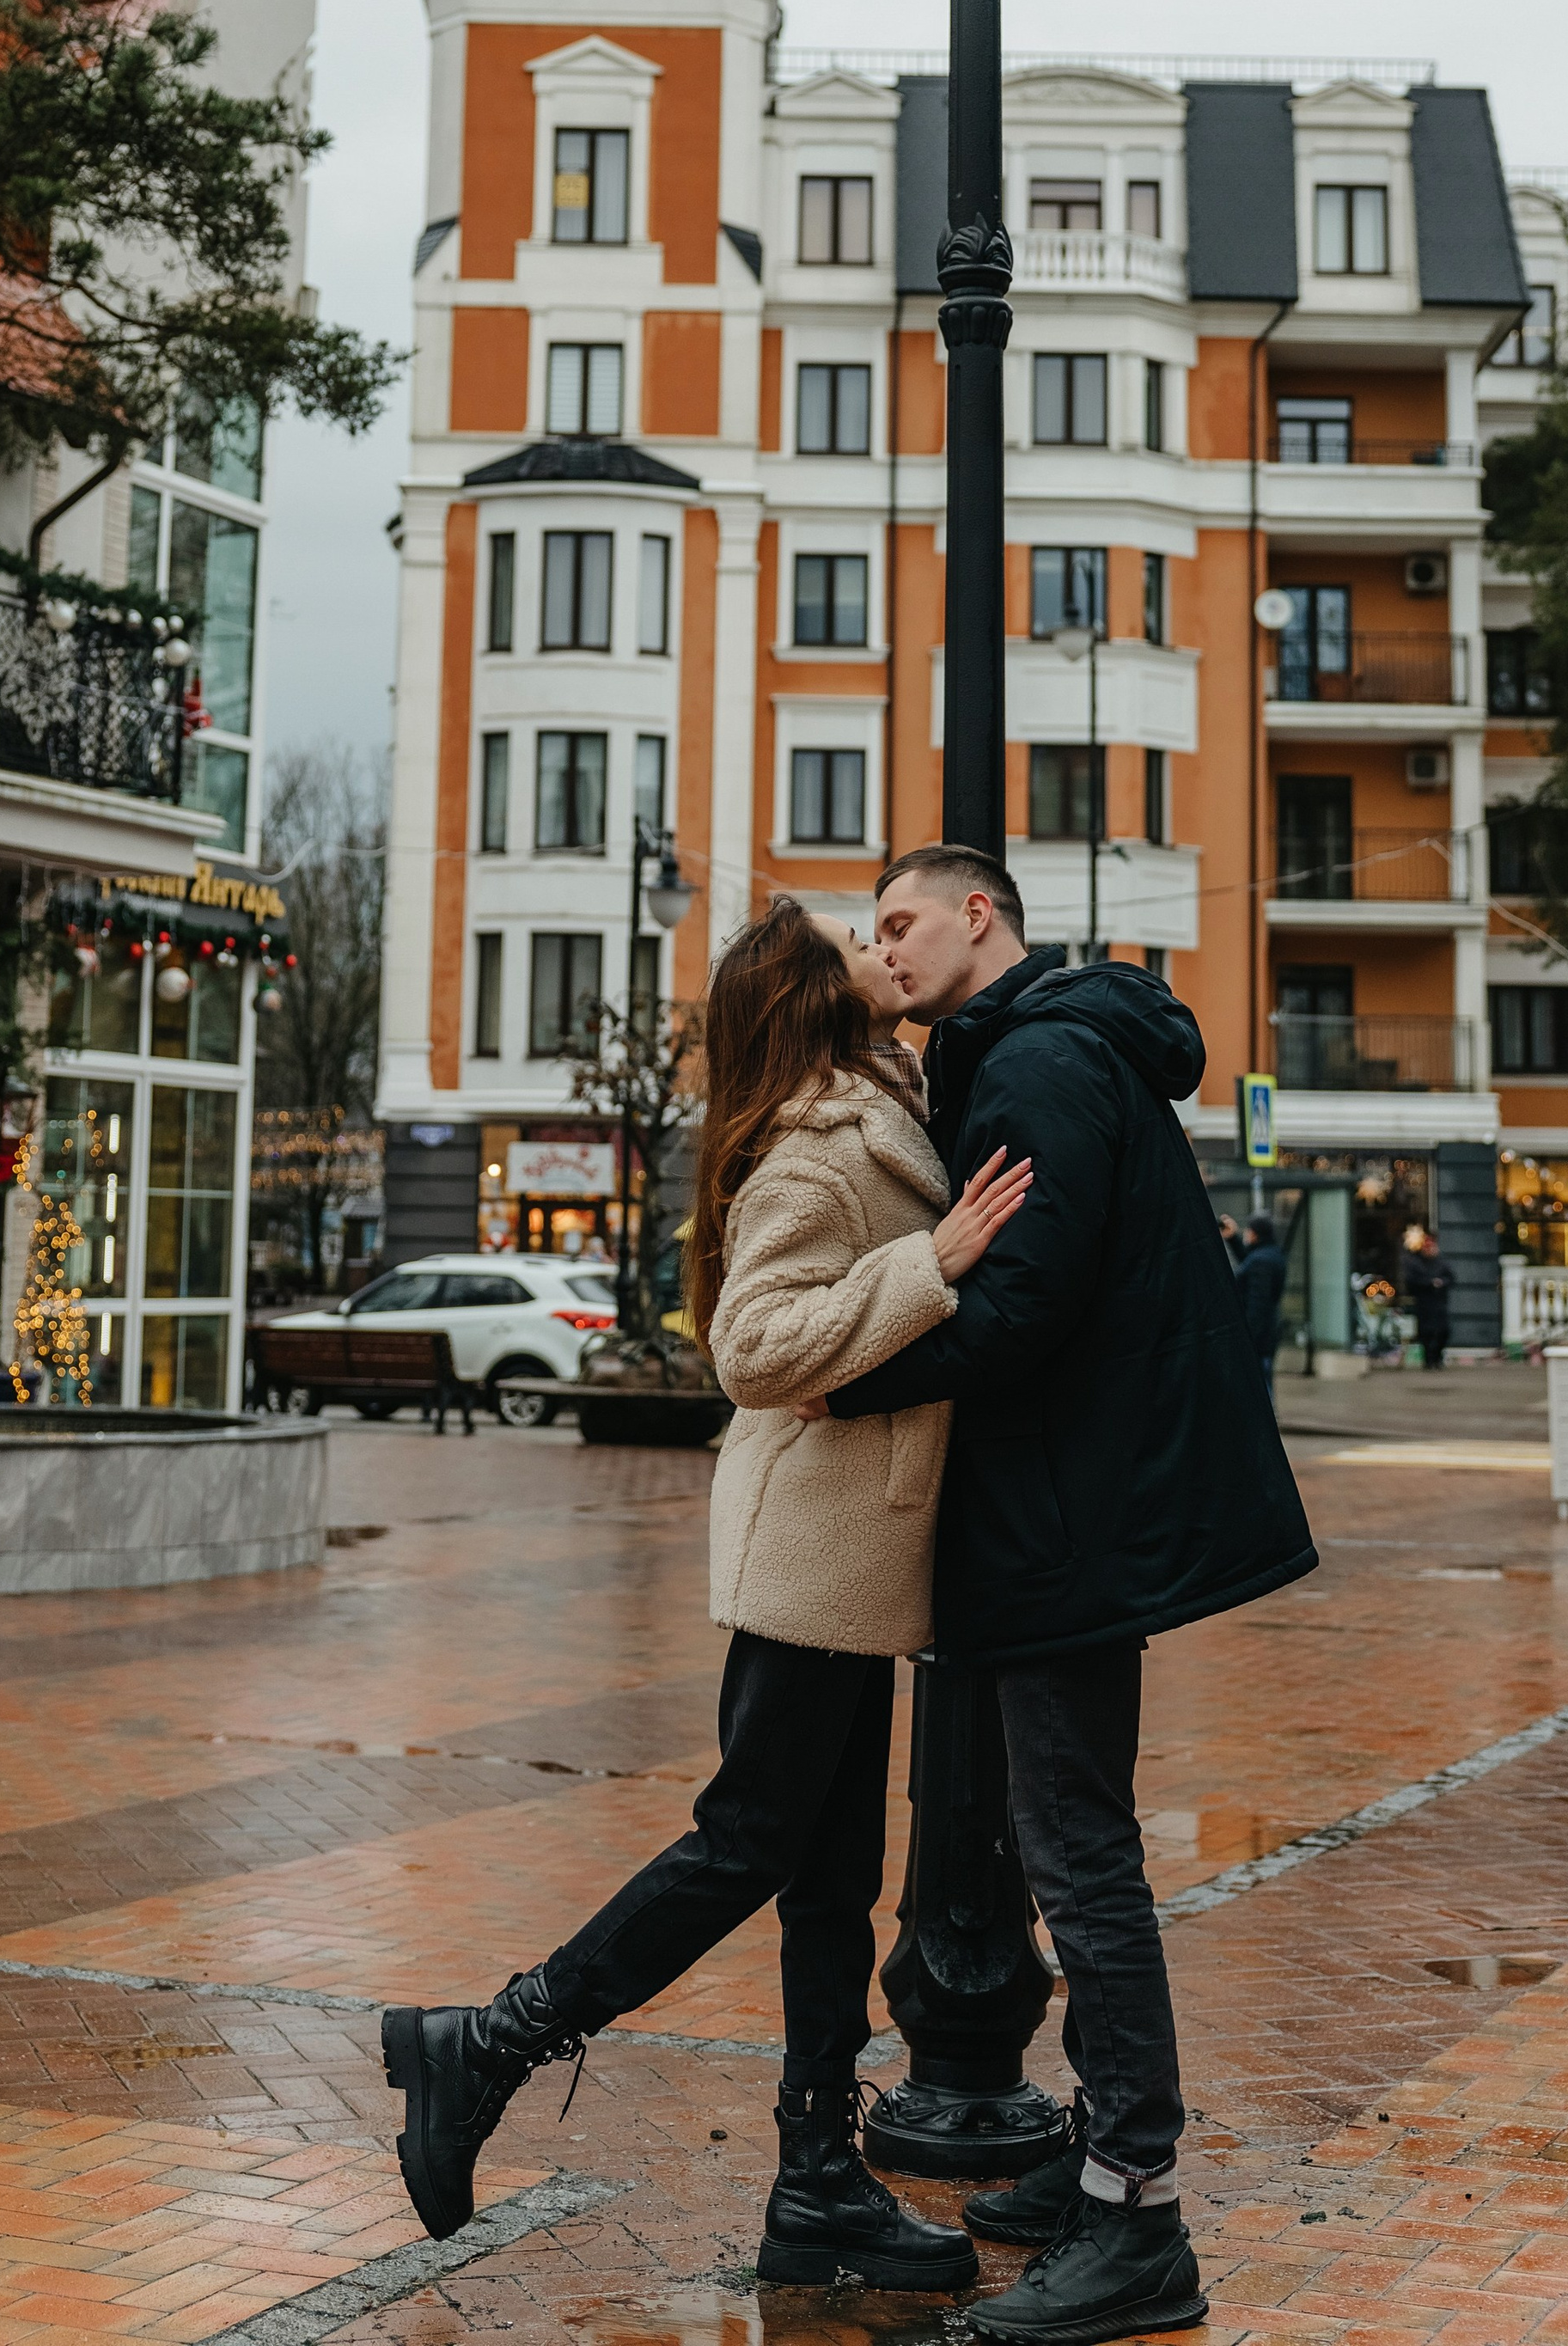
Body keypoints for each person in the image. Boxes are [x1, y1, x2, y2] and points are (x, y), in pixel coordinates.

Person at [381, 896, 1033, 2290]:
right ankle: (486, 2048)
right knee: (749, 1842)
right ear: (814, 992)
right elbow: (752, 1345)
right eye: (859, 935)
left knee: (830, 1885)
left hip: (850, 1561)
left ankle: (816, 2189)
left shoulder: (872, 1099)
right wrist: (935, 1263)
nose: (881, 939)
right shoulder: (810, 1144)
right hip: (814, 1553)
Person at [822, 845, 1319, 2346]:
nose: (885, 951)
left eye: (900, 921)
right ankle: (1100, 2170)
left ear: (982, 914)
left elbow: (1021, 1307)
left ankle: (1134, 2211)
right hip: (1083, 1514)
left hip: (1066, 1525)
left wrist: (853, 1376)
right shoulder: (1063, 1040)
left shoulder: (1036, 1062)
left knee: (1082, 1857)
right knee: (1071, 1842)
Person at [1230, 1212, 1290, 1396]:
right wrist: (1233, 1239)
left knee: (1259, 1383)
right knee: (1262, 1378)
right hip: (1267, 1332)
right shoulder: (1270, 1254)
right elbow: (1250, 1263)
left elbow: (1258, 1303)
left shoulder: (1262, 1260)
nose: (1246, 1233)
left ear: (1255, 1233)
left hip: (1259, 1336)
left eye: (1249, 1230)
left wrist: (1247, 1337)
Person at [1400, 1220, 1455, 1369]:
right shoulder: (1416, 1263)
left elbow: (1451, 1278)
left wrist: (1441, 1283)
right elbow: (1412, 1281)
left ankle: (1437, 1357)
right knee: (1426, 1333)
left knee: (1444, 1332)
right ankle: (1429, 1360)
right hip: (1424, 1302)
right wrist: (1430, 1283)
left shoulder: (1441, 1263)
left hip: (1439, 1303)